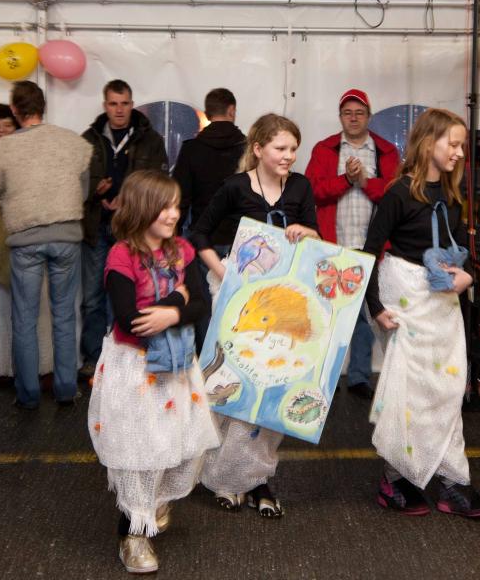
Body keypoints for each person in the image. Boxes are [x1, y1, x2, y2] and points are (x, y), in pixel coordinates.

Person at [362, 108, 480, 518]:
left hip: (442, 304)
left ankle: (453, 482)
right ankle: (396, 480)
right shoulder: (398, 193)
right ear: (427, 144)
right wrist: (377, 308)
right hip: (404, 301)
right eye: (452, 144)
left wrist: (468, 276)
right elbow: (369, 253)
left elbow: (464, 250)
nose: (459, 153)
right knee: (410, 392)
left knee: (448, 391)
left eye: (461, 146)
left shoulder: (453, 196)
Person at [87, 170, 219, 574]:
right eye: (166, 206)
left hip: (177, 366)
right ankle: (132, 535)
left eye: (177, 205)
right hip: (135, 368)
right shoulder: (121, 256)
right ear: (144, 207)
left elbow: (202, 306)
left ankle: (153, 501)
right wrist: (175, 298)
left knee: (178, 444)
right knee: (137, 452)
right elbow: (131, 321)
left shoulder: (182, 250)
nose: (174, 214)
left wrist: (174, 310)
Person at [191, 113, 319, 518]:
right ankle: (224, 477)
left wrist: (306, 232)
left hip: (281, 303)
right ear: (259, 149)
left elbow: (316, 235)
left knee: (272, 386)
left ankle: (258, 477)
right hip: (238, 300)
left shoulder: (300, 186)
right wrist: (221, 269)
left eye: (293, 149)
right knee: (232, 383)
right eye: (281, 148)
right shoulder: (233, 186)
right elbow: (199, 234)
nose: (289, 156)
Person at [0, 81, 92, 409]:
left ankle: (27, 395)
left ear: (14, 110)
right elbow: (82, 192)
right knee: (64, 315)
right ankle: (66, 389)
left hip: (25, 240)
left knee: (24, 318)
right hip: (67, 237)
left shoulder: (4, 147)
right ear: (44, 107)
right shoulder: (73, 143)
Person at [305, 89, 400, 400]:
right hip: (332, 244)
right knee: (326, 315)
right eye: (348, 113)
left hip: (373, 245)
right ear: (340, 117)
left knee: (364, 315)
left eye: (360, 112)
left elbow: (394, 198)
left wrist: (363, 182)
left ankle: (359, 376)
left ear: (369, 116)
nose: (354, 118)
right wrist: (345, 179)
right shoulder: (324, 150)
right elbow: (312, 192)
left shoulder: (386, 152)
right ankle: (321, 378)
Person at [80, 79, 169, 379]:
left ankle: (122, 358)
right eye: (113, 104)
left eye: (124, 103)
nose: (119, 110)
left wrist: (128, 199)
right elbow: (74, 181)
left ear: (132, 105)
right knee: (92, 297)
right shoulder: (89, 139)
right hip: (96, 226)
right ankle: (95, 357)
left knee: (124, 299)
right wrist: (96, 190)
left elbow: (158, 183)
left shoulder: (151, 140)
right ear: (105, 106)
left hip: (131, 231)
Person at [0, 104, 58, 382]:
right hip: (5, 239)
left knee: (39, 304)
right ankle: (6, 366)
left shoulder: (32, 155)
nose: (1, 131)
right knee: (4, 305)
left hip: (35, 234)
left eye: (6, 125)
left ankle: (41, 366)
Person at [172, 87, 246, 352]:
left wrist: (176, 239)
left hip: (204, 239)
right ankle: (236, 362)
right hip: (243, 239)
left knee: (204, 301)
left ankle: (206, 363)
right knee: (240, 303)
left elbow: (181, 198)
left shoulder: (192, 149)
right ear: (232, 111)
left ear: (207, 113)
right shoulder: (249, 147)